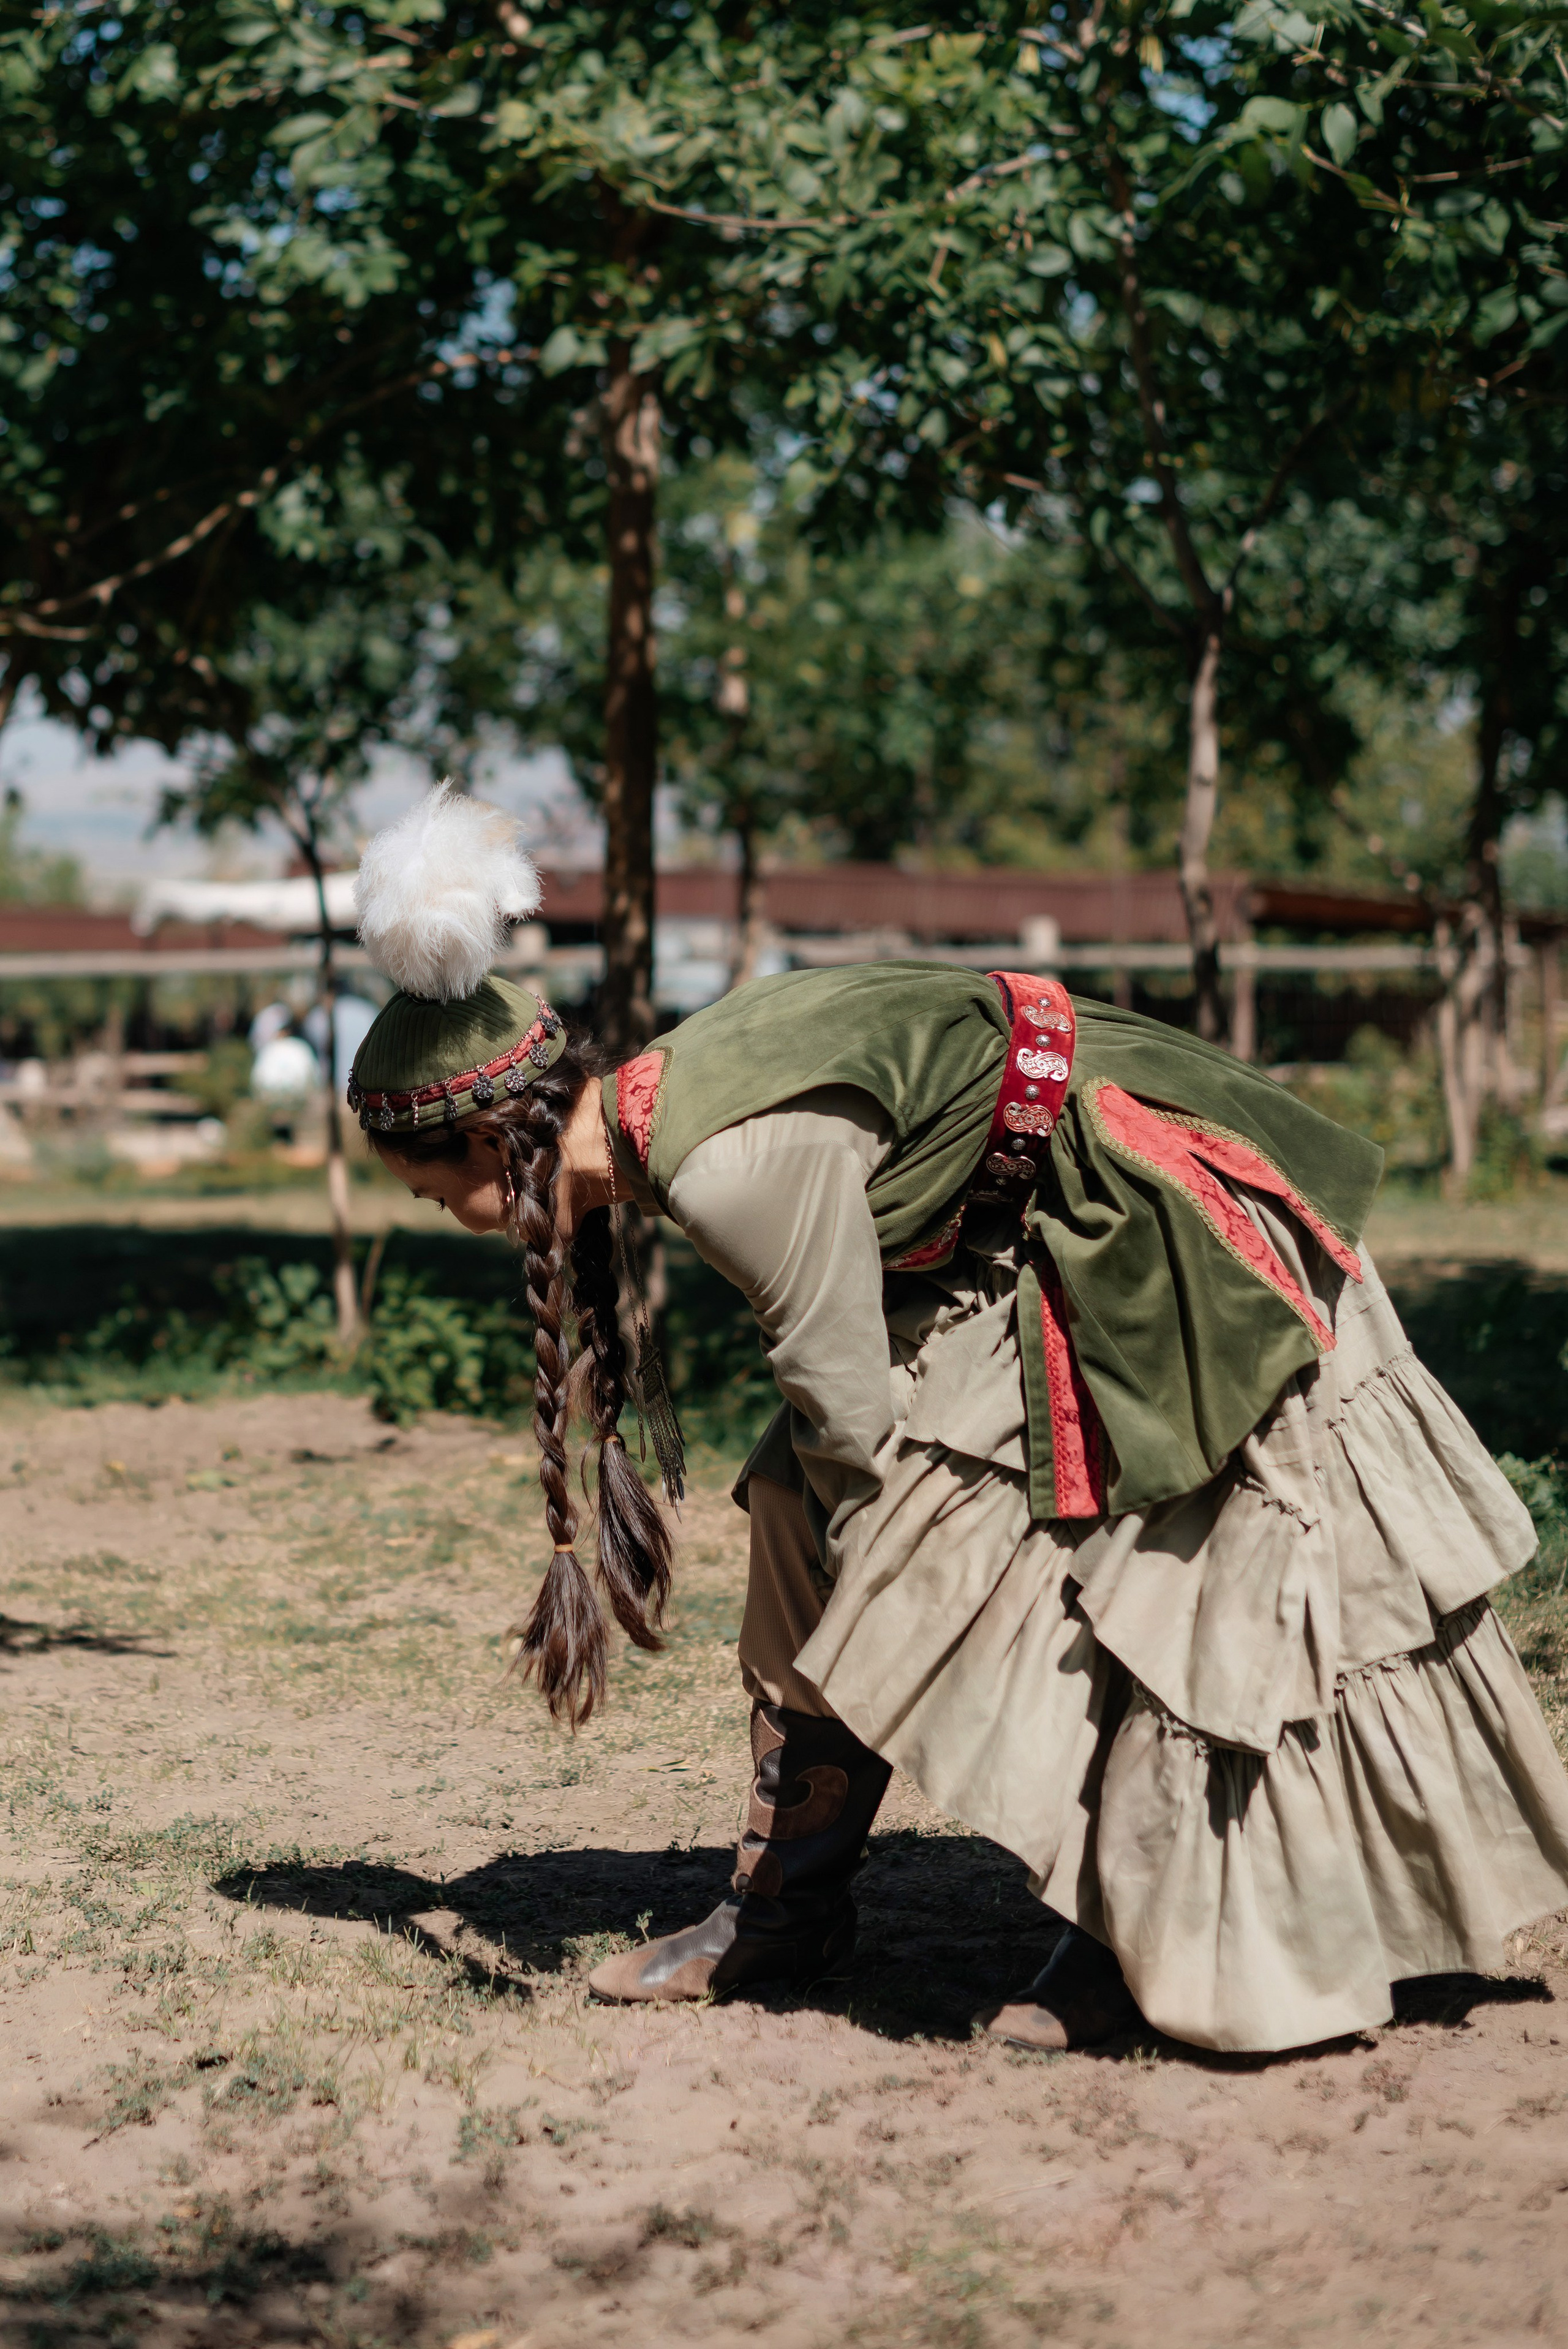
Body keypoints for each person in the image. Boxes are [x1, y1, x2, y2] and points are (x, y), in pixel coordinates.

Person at [349, 785, 1568, 2055]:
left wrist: (923, 1610)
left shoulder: (717, 1168)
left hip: (1163, 1220)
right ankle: (787, 1908)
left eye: (440, 1198)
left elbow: (849, 1419)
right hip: (1029, 1228)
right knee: (791, 1504)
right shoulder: (665, 1114)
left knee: (1104, 1566)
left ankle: (1132, 1935)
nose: (454, 1222)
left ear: (498, 1140)